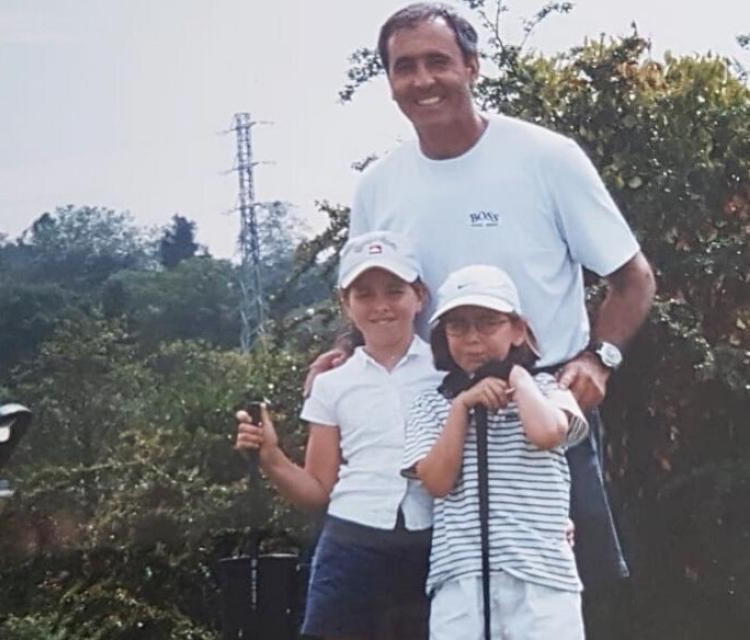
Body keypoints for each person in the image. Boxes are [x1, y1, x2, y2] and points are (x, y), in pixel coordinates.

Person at [312, 2, 656, 592]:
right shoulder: (378, 186)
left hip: (544, 408)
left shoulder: (547, 158)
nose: (422, 81)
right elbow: (380, 293)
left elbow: (635, 278)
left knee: (574, 595)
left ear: (472, 66)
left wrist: (600, 358)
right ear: (389, 82)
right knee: (448, 603)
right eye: (404, 67)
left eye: (438, 61)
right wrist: (348, 350)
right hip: (436, 418)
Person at [236, 230, 443, 640]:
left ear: (419, 296)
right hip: (351, 544)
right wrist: (272, 457)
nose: (381, 305)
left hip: (438, 543)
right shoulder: (332, 385)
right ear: (345, 305)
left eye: (394, 290)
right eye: (364, 294)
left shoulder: (449, 371)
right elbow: (317, 490)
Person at [403, 264, 588, 639]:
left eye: (488, 323)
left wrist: (519, 379)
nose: (473, 338)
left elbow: (548, 433)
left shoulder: (547, 388)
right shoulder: (431, 404)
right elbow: (436, 482)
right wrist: (461, 408)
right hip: (461, 575)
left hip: (540, 574)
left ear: (517, 329)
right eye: (458, 326)